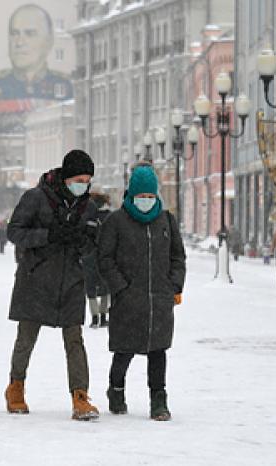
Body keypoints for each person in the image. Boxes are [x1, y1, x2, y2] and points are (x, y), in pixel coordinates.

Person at [4, 149, 100, 421]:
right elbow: (14, 232)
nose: (84, 184)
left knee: (74, 340)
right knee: (26, 338)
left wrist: (84, 239)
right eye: (79, 179)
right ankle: (15, 387)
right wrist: (49, 235)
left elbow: (92, 244)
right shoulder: (36, 198)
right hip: (36, 278)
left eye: (87, 180)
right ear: (66, 177)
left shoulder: (88, 207)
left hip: (70, 281)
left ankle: (80, 396)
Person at [97, 165, 186, 422]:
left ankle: (159, 401)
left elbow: (177, 256)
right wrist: (120, 287)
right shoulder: (116, 221)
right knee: (124, 351)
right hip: (128, 299)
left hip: (159, 299)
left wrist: (174, 285)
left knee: (158, 352)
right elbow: (105, 259)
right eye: (141, 197)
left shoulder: (166, 220)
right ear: (132, 195)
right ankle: (116, 390)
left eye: (150, 197)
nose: (146, 202)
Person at [0, 4, 73, 116]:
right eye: (14, 34)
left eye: (30, 34)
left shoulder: (67, 85)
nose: (19, 42)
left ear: (49, 41)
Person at [83, 192, 111, 329]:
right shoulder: (110, 217)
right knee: (106, 287)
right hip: (105, 255)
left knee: (90, 287)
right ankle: (103, 316)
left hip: (89, 255)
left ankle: (95, 318)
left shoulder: (87, 216)